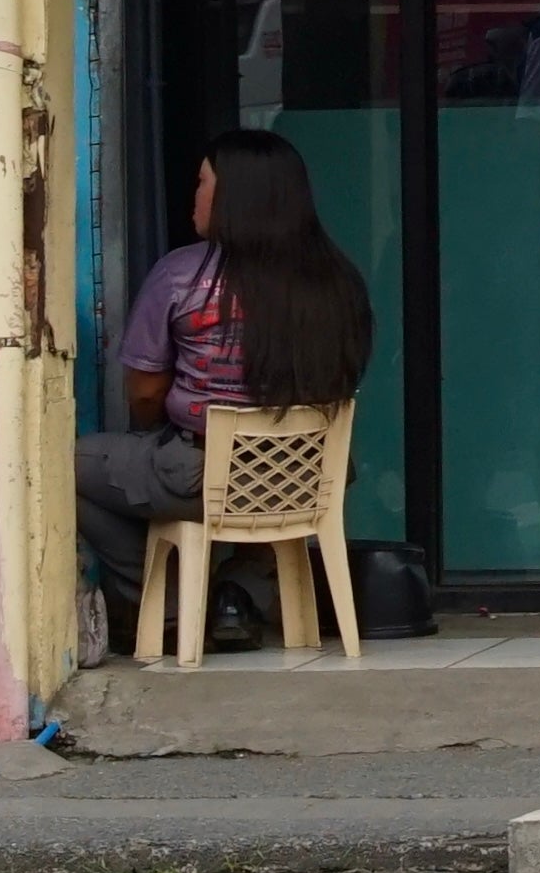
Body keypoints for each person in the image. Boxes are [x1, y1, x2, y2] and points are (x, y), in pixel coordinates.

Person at [79, 132, 378, 644]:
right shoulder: (340, 279)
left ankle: (172, 610)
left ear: (232, 196)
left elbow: (146, 393)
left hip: (201, 474)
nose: (193, 195)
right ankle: (234, 595)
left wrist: (158, 436)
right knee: (258, 500)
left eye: (201, 182)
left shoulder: (181, 274)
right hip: (308, 474)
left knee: (58, 469)